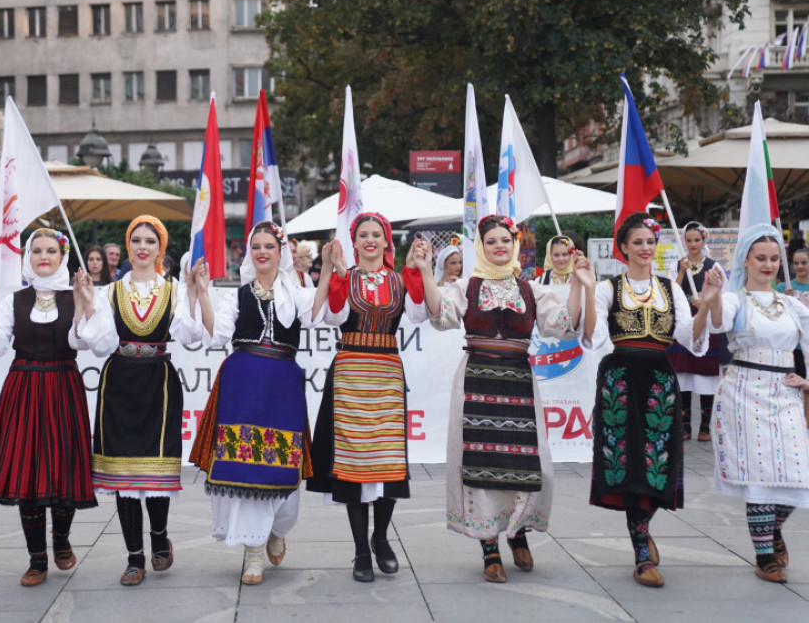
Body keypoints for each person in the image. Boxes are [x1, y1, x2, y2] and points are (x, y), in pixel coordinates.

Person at [429, 216, 595, 582]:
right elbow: (441, 318)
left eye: (505, 240)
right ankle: (489, 547)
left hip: (518, 381)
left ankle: (517, 531)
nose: (499, 246)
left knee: (530, 464)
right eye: (491, 241)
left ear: (515, 244)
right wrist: (427, 273)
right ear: (481, 247)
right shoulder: (467, 287)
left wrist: (581, 286)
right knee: (480, 464)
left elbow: (564, 325)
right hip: (476, 380)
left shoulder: (532, 289)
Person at [581, 212, 717, 588]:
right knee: (627, 464)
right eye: (637, 242)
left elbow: (692, 339)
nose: (645, 248)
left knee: (660, 460)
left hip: (659, 379)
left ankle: (642, 527)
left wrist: (705, 303)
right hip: (620, 380)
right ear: (623, 248)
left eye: (650, 242)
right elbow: (590, 336)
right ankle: (641, 550)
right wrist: (588, 289)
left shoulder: (670, 288)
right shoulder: (609, 287)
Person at [186, 221, 325, 586]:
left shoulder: (296, 293)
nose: (262, 251)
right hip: (242, 382)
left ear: (282, 254)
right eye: (256, 246)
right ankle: (252, 552)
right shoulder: (238, 294)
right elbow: (218, 336)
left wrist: (327, 271)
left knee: (282, 465)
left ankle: (276, 529)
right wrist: (202, 293)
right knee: (244, 467)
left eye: (269, 246)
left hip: (282, 384)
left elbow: (319, 312)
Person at [307, 212, 440, 583]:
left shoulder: (400, 280)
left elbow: (423, 313)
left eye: (376, 234)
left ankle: (381, 537)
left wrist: (422, 270)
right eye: (362, 234)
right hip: (350, 373)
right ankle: (361, 549)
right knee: (352, 462)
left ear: (386, 242)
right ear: (354, 242)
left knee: (387, 458)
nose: (370, 240)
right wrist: (333, 272)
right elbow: (330, 318)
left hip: (385, 374)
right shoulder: (345, 280)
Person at [0, 228, 97, 586]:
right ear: (27, 256)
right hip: (24, 387)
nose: (43, 256)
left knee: (64, 469)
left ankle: (61, 540)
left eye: (51, 250)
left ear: (62, 256)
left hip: (64, 386)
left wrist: (84, 305)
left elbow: (80, 342)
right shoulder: (14, 300)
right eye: (36, 250)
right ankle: (37, 558)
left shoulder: (75, 294)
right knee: (29, 473)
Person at [82, 216, 192, 586]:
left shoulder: (173, 290)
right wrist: (86, 304)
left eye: (150, 241)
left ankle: (159, 537)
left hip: (158, 380)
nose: (142, 247)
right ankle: (134, 558)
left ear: (161, 249)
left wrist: (197, 293)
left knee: (154, 468)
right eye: (136, 240)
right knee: (124, 474)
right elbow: (96, 344)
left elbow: (192, 336)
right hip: (119, 380)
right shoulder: (110, 292)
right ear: (127, 247)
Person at [708, 224, 809, 584]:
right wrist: (713, 295)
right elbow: (717, 324)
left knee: (798, 475)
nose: (768, 265)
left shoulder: (793, 304)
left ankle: (772, 530)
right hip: (744, 391)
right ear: (746, 260)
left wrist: (807, 381)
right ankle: (764, 555)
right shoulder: (736, 299)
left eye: (773, 259)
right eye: (760, 258)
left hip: (785, 392)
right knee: (760, 475)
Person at [669, 221, 726, 442]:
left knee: (706, 373)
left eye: (697, 240)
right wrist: (682, 271)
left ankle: (705, 426)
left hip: (707, 322)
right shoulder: (678, 265)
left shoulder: (714, 266)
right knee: (682, 372)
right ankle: (684, 426)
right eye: (689, 240)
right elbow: (671, 290)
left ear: (704, 241)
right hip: (684, 321)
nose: (693, 244)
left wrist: (707, 299)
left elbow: (723, 292)